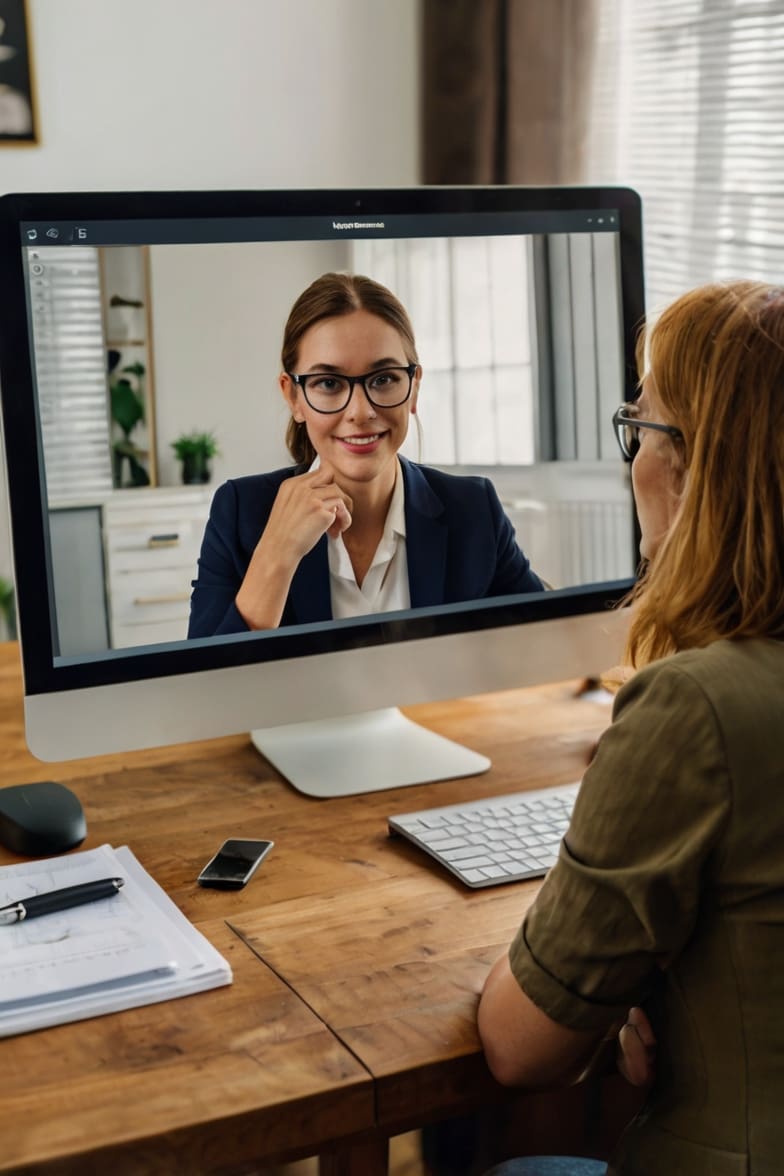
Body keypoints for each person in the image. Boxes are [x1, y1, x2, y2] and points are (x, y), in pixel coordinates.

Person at [477, 280, 784, 1175]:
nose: (631, 460)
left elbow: (519, 1046)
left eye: (640, 427)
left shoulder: (694, 708)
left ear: (693, 466)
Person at [188, 272, 544, 638]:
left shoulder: (473, 509)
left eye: (384, 379)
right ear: (294, 397)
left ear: (414, 388)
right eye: (329, 383)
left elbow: (549, 641)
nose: (360, 412)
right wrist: (277, 556)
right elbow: (202, 673)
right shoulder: (241, 513)